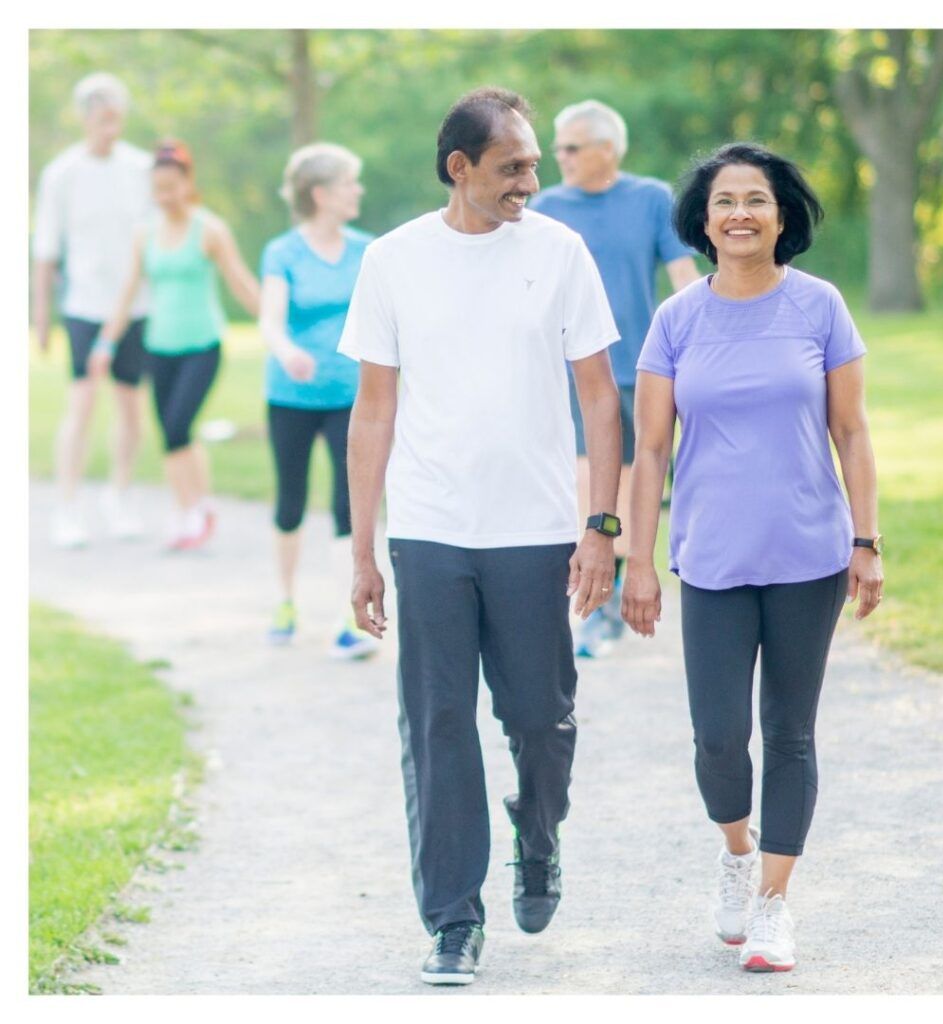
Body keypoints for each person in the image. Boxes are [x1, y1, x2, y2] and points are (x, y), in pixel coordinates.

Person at [339, 87, 622, 985]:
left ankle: (538, 837)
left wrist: (600, 528)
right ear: (459, 169)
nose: (531, 182)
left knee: (541, 721)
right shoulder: (393, 260)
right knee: (437, 727)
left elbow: (599, 397)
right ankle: (453, 920)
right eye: (513, 167)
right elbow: (373, 411)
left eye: (536, 164)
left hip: (537, 531)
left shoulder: (560, 252)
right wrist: (362, 551)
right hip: (429, 532)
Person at [623, 142, 883, 973]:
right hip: (711, 559)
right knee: (717, 738)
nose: (740, 212)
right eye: (725, 200)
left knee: (790, 733)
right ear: (704, 221)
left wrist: (866, 542)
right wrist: (638, 558)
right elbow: (650, 450)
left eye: (757, 200)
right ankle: (737, 853)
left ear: (781, 217)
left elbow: (852, 431)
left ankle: (774, 904)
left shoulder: (821, 306)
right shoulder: (677, 321)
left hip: (808, 554)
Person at [530, 99, 701, 657]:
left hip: (643, 366)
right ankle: (599, 605)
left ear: (608, 148)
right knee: (588, 478)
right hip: (570, 371)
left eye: (571, 147)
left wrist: (703, 338)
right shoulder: (546, 206)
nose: (559, 156)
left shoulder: (651, 198)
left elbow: (682, 274)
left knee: (638, 477)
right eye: (557, 147)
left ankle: (624, 583)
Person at [94, 140, 259, 550]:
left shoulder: (210, 230)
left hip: (202, 345)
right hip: (158, 345)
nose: (164, 196)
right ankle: (192, 508)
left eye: (171, 186)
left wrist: (277, 327)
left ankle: (193, 509)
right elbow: (128, 291)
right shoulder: (144, 234)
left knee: (177, 425)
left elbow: (241, 283)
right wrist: (104, 344)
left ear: (187, 183)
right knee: (171, 436)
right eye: (157, 188)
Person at [258, 142, 378, 659]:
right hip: (290, 395)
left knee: (348, 505)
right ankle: (285, 601)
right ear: (321, 193)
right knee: (291, 501)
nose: (358, 191)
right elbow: (269, 317)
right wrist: (287, 353)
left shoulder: (368, 249)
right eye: (350, 182)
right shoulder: (282, 251)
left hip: (351, 397)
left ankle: (345, 620)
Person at [33, 72, 152, 547]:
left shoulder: (141, 168)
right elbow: (46, 251)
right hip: (84, 306)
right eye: (103, 119)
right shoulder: (61, 174)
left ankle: (119, 497)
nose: (111, 128)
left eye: (117, 119)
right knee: (80, 406)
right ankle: (67, 507)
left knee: (130, 410)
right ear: (85, 118)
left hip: (137, 308)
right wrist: (41, 316)